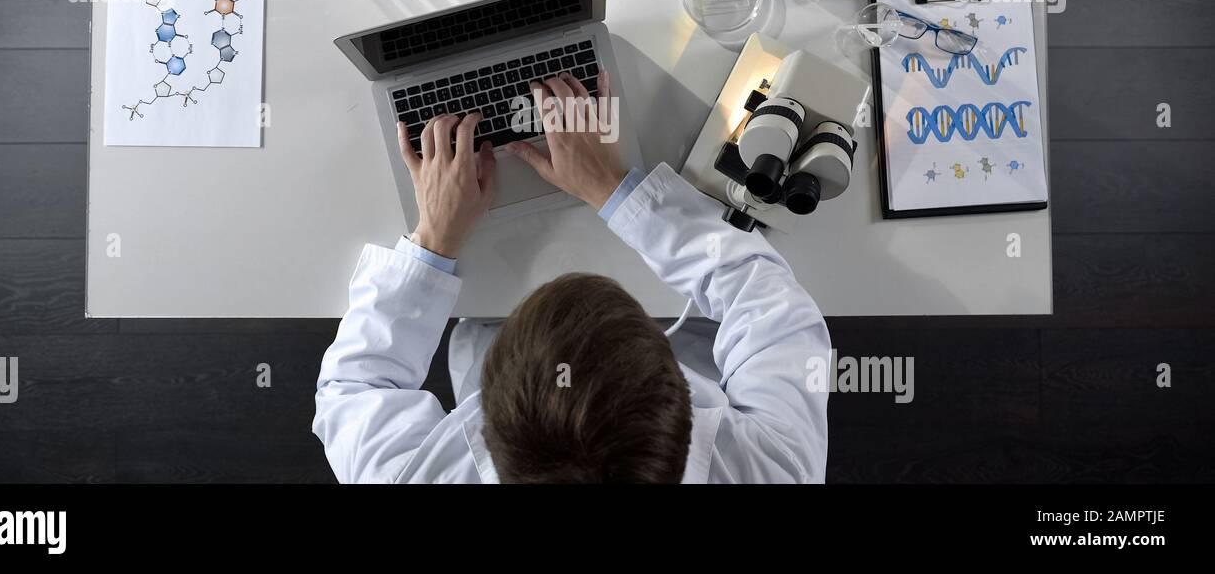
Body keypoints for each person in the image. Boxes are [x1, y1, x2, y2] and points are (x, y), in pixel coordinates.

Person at [312, 72, 831, 483]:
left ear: (485, 419)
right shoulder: (778, 465)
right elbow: (773, 304)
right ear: (676, 387)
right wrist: (618, 192)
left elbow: (352, 387)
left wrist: (431, 241)